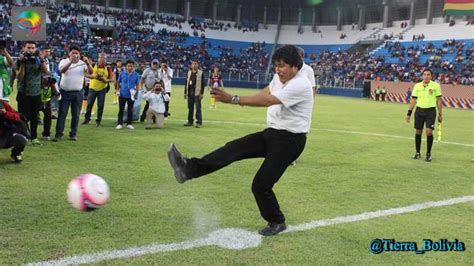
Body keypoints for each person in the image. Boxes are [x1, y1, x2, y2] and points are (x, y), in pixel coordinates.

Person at [167, 45, 313, 236]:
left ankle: (277, 221)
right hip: (272, 133)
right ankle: (188, 169)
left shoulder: (301, 83)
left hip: (290, 141)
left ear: (295, 66)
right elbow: (266, 93)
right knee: (233, 148)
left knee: (260, 185)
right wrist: (237, 99)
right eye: (276, 65)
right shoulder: (281, 77)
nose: (277, 70)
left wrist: (233, 99)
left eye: (282, 66)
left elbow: (268, 101)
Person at [54, 46, 93, 142]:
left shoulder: (82, 63)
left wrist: (87, 63)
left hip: (78, 92)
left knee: (75, 114)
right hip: (65, 92)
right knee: (62, 114)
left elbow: (91, 72)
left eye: (76, 53)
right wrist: (71, 61)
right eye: (73, 53)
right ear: (69, 53)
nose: (75, 55)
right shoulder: (64, 61)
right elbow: (62, 71)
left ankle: (73, 134)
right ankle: (58, 134)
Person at [16, 41, 49, 145]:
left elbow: (45, 71)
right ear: (24, 48)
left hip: (36, 93)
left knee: (35, 117)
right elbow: (20, 77)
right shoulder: (20, 60)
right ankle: (24, 136)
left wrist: (42, 59)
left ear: (35, 49)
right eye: (29, 47)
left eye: (33, 48)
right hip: (24, 92)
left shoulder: (38, 59)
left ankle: (34, 137)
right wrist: (22, 63)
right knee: (23, 117)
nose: (31, 50)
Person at [406, 69, 442, 162]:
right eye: (424, 74)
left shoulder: (436, 86)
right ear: (422, 76)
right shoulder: (417, 86)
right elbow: (413, 100)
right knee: (418, 131)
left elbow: (439, 101)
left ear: (431, 76)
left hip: (430, 111)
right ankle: (417, 153)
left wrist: (440, 114)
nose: (426, 76)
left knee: (429, 132)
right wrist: (409, 113)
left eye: (428, 74)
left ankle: (428, 154)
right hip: (419, 111)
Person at [82, 53, 113, 127]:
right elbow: (85, 74)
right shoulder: (92, 66)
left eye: (104, 58)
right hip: (92, 88)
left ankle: (98, 121)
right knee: (89, 104)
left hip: (102, 89)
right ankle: (87, 119)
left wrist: (106, 80)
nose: (102, 59)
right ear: (98, 58)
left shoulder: (108, 68)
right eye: (101, 57)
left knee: (100, 106)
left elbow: (112, 79)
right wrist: (93, 76)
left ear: (106, 59)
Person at [0, 99, 28, 164]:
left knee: (22, 139)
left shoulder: (2, 104)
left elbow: (17, 116)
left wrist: (5, 113)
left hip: (5, 135)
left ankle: (16, 154)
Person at [116, 60, 140, 130]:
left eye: (131, 66)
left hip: (131, 95)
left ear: (133, 66)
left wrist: (137, 93)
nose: (130, 67)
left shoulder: (136, 75)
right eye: (128, 66)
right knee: (121, 109)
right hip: (122, 94)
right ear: (126, 66)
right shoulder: (122, 74)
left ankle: (129, 124)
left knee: (130, 110)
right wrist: (117, 90)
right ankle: (120, 123)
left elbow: (137, 84)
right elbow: (118, 82)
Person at [184, 60, 205, 128]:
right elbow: (186, 83)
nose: (194, 65)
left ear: (198, 65)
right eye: (193, 64)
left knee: (198, 108)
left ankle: (199, 122)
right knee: (190, 108)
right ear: (191, 65)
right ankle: (190, 121)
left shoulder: (201, 73)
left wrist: (202, 93)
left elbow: (203, 84)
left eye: (195, 64)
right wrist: (185, 92)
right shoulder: (189, 72)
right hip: (190, 92)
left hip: (197, 92)